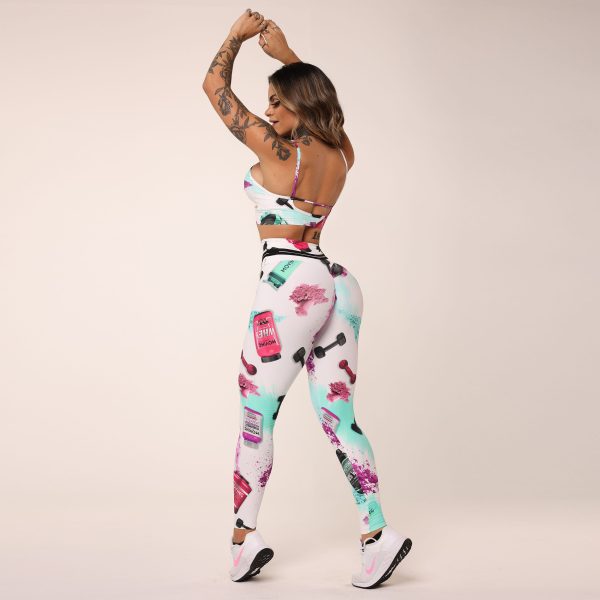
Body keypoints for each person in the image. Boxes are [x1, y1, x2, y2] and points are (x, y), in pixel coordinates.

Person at [202, 9, 412, 589]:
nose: (268, 111)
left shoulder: (281, 154)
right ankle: (376, 533)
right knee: (340, 418)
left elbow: (214, 86)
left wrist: (236, 37)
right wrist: (289, 59)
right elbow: (327, 116)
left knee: (256, 410)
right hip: (337, 283)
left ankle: (243, 539)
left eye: (277, 101)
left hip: (291, 282)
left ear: (298, 103)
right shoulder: (340, 155)